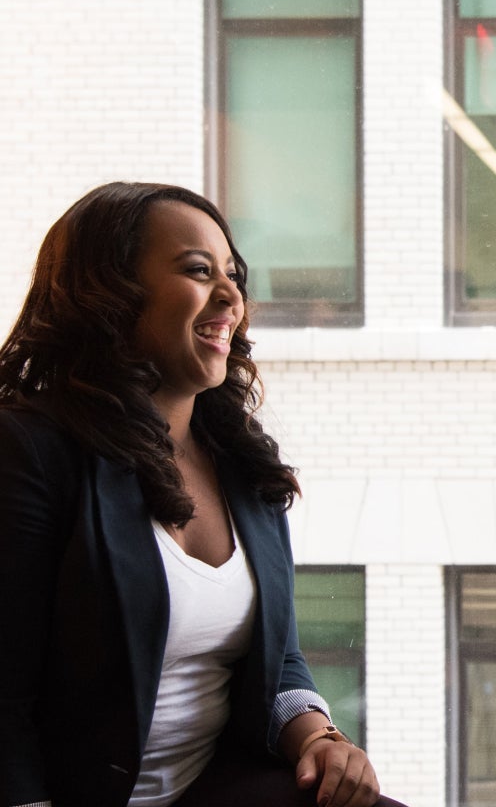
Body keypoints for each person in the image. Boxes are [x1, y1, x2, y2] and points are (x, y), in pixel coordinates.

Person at [0, 183, 406, 807]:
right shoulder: (29, 449)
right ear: (109, 293)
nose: (230, 296)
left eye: (234, 275)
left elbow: (278, 660)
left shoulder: (242, 462)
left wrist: (317, 736)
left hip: (217, 789)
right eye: (198, 271)